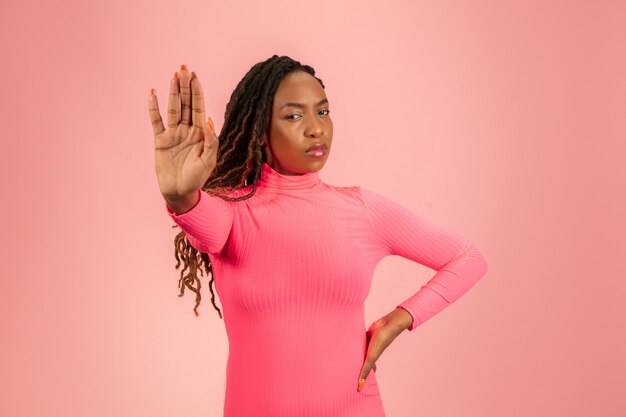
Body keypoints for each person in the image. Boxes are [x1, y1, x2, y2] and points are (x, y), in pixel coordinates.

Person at [147, 55, 488, 417]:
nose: (315, 128)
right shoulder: (231, 213)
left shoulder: (362, 210)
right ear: (260, 130)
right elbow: (198, 218)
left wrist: (400, 318)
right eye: (294, 116)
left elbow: (468, 258)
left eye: (322, 112)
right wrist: (179, 195)